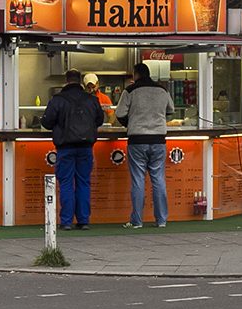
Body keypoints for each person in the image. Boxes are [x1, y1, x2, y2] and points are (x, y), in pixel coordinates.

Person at [41, 69, 104, 231]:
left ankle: (66, 221)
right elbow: (100, 119)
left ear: (67, 80)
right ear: (80, 81)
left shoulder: (58, 100)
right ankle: (83, 221)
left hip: (65, 147)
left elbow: (47, 122)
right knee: (84, 182)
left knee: (66, 183)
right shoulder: (91, 99)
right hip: (86, 147)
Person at [116, 62, 175, 229]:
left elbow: (119, 113)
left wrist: (130, 123)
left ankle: (137, 221)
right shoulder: (162, 90)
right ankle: (162, 220)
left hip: (137, 140)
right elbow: (170, 110)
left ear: (136, 75)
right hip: (158, 140)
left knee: (138, 180)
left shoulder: (130, 91)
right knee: (158, 179)